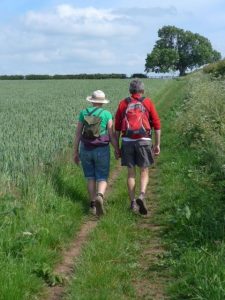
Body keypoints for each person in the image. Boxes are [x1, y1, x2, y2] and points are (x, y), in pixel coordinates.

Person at [114, 79, 161, 215]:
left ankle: (133, 202)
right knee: (144, 170)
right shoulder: (147, 102)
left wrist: (117, 148)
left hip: (127, 141)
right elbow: (157, 126)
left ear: (130, 91)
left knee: (131, 173)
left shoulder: (123, 103)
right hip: (144, 140)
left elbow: (117, 128)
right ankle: (141, 195)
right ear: (143, 91)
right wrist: (157, 144)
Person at [74, 90, 120, 216]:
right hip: (102, 149)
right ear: (102, 102)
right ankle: (100, 195)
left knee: (90, 177)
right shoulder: (107, 114)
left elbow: (78, 134)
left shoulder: (83, 113)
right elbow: (111, 135)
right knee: (102, 176)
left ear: (92, 101)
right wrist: (117, 149)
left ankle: (93, 204)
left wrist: (75, 152)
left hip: (85, 149)